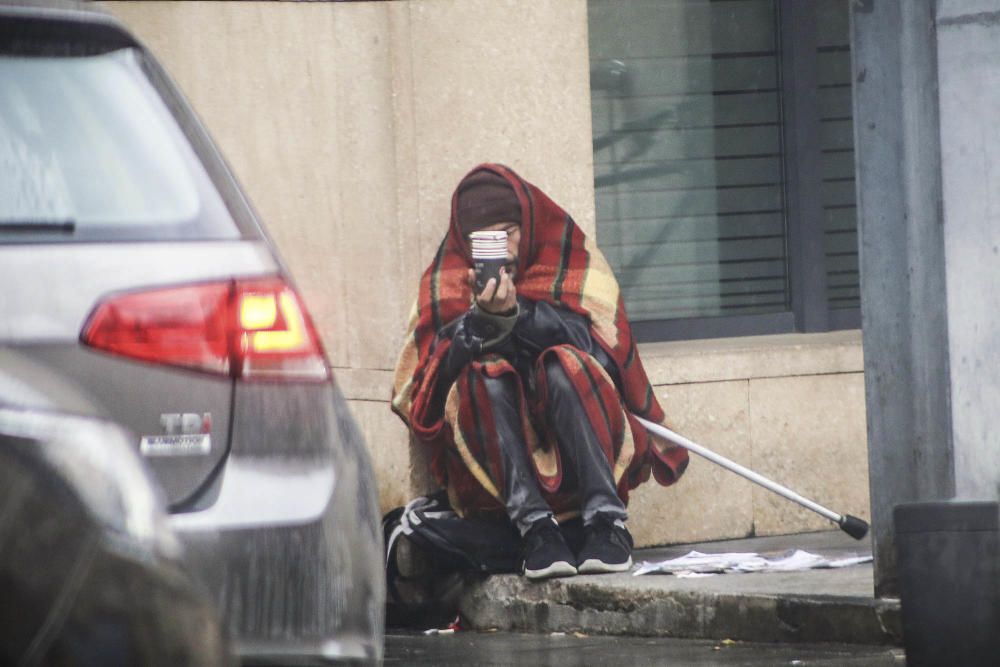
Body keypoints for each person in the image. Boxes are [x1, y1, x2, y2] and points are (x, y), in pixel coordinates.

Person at [391, 163, 689, 580]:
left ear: (528, 223)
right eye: (489, 238)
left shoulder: (568, 255)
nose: (506, 250)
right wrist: (477, 326)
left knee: (564, 364)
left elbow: (607, 356)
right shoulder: (448, 281)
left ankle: (607, 523)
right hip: (495, 473)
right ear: (467, 243)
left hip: (580, 438)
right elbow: (422, 398)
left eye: (510, 231)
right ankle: (536, 531)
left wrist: (518, 316)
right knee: (483, 373)